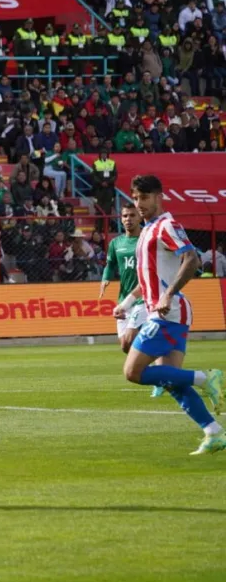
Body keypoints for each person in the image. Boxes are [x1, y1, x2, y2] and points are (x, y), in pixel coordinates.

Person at [116, 175, 225, 455]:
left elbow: (192, 259)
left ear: (159, 197)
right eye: (136, 198)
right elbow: (147, 279)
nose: (139, 204)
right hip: (165, 310)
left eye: (144, 197)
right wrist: (128, 303)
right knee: (172, 380)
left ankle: (205, 377)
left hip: (168, 312)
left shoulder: (166, 226)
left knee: (133, 372)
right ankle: (213, 432)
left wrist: (168, 294)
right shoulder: (148, 230)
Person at [100, 203, 166, 397]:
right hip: (124, 298)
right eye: (125, 216)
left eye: (132, 215)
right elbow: (110, 263)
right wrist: (105, 278)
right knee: (125, 346)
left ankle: (161, 370)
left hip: (143, 298)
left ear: (139, 218)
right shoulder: (116, 243)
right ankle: (161, 368)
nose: (128, 219)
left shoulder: (145, 240)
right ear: (121, 219)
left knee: (129, 340)